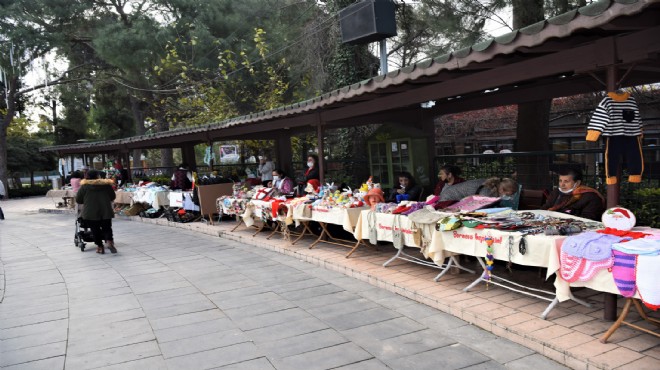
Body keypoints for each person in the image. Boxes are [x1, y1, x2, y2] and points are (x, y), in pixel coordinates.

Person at [75, 170, 117, 254]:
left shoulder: (84, 186)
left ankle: (100, 247)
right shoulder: (106, 185)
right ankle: (109, 241)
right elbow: (112, 197)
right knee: (107, 227)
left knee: (95, 229)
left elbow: (78, 199)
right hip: (105, 210)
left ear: (87, 176)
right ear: (98, 176)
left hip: (90, 211)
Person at [439, 177, 518, 202]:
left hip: (449, 195)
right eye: (508, 194)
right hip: (448, 199)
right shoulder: (488, 191)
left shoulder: (492, 185)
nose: (509, 197)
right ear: (502, 190)